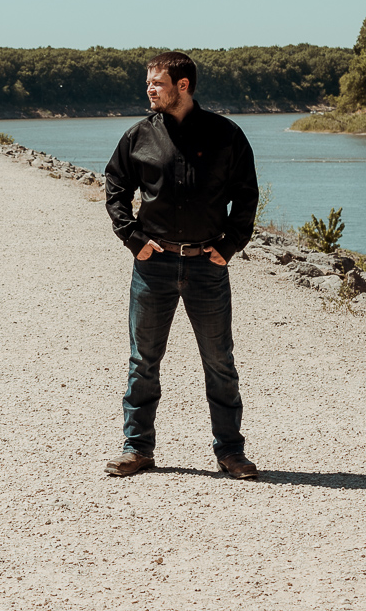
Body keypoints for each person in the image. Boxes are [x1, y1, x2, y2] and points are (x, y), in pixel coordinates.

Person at [102, 51, 260, 479]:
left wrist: (230, 246)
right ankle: (136, 448)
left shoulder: (226, 135)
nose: (149, 90)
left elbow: (246, 194)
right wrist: (133, 239)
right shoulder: (139, 136)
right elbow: (115, 188)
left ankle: (231, 452)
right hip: (154, 267)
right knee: (143, 362)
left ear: (182, 86)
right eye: (149, 83)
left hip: (208, 265)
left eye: (156, 83)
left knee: (220, 362)